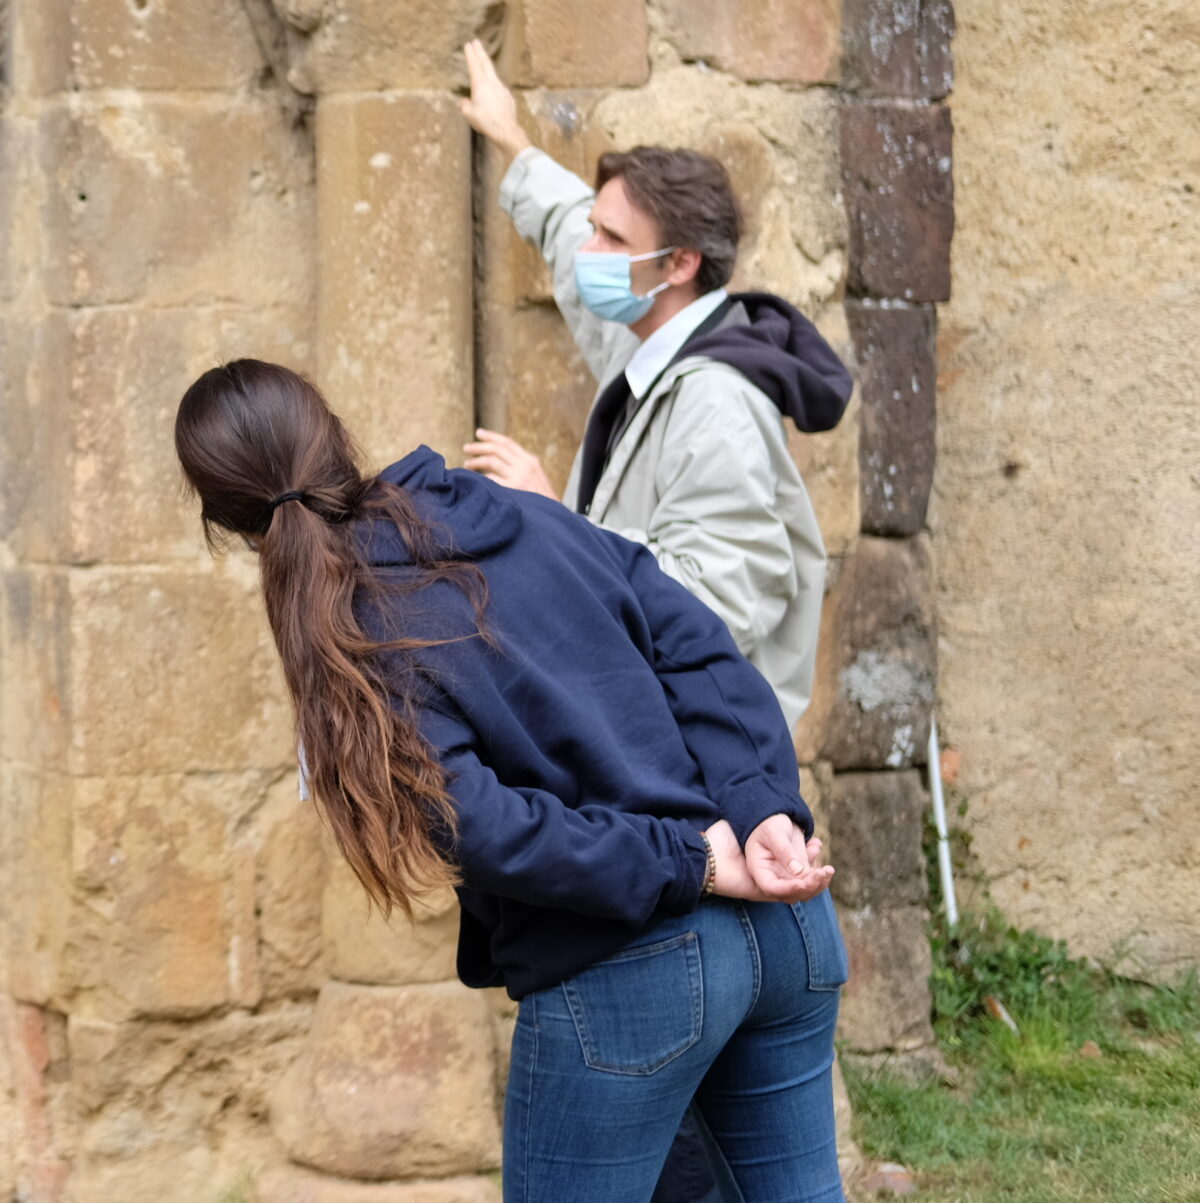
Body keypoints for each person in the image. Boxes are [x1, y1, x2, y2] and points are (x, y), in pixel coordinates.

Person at [175, 359, 847, 1203]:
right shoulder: (526, 516)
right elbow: (702, 648)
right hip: (791, 926)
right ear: (332, 435)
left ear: (224, 519)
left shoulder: (358, 627)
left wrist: (704, 855)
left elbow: (483, 825)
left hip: (640, 963)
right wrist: (759, 809)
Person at [456, 41, 851, 728]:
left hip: (701, 770)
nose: (589, 253)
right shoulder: (652, 336)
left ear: (680, 264)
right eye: (595, 230)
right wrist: (510, 136)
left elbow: (717, 605)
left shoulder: (716, 403)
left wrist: (551, 516)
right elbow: (563, 221)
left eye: (610, 238)